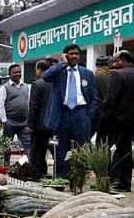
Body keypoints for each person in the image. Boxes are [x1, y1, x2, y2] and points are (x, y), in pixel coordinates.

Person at [42, 43, 98, 179]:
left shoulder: (87, 74)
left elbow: (94, 97)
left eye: (76, 53)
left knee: (81, 147)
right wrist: (62, 64)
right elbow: (45, 77)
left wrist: (89, 115)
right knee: (61, 149)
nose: (74, 56)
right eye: (71, 53)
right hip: (62, 114)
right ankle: (61, 178)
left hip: (81, 113)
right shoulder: (59, 71)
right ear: (66, 55)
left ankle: (79, 177)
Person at [98, 51, 134, 193]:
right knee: (125, 152)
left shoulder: (118, 75)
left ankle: (103, 181)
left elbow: (110, 100)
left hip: (113, 121)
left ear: (123, 60)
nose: (113, 63)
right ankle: (126, 183)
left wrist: (104, 116)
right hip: (132, 122)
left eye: (115, 60)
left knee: (103, 150)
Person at [0, 64, 32, 165]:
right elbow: (1, 105)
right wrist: (4, 120)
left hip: (24, 122)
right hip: (10, 121)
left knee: (28, 144)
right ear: (10, 74)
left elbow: (28, 103)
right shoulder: (4, 88)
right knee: (7, 146)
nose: (18, 74)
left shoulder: (25, 87)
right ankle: (5, 165)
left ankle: (31, 165)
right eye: (15, 72)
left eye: (19, 72)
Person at [27, 58, 54, 177]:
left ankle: (38, 173)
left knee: (37, 151)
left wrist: (30, 124)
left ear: (39, 70)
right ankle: (59, 173)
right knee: (55, 149)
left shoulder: (37, 84)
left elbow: (33, 106)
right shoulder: (56, 83)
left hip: (40, 125)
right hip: (54, 124)